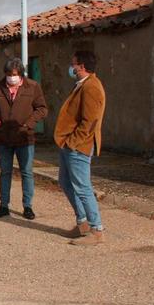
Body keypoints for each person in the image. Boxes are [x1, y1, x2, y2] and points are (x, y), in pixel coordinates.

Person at [55, 50, 107, 245]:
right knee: (65, 182)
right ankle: (82, 223)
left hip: (78, 146)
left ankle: (97, 230)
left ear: (82, 66)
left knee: (83, 187)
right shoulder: (83, 85)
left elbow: (90, 120)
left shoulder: (92, 86)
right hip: (69, 144)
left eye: (73, 63)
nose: (72, 66)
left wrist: (73, 142)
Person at [0, 58, 48, 220]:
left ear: (20, 74)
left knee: (26, 172)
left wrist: (29, 124)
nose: (11, 77)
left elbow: (42, 109)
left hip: (24, 138)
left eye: (14, 74)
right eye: (8, 74)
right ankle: (3, 205)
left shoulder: (32, 87)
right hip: (3, 138)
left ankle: (28, 206)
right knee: (5, 172)